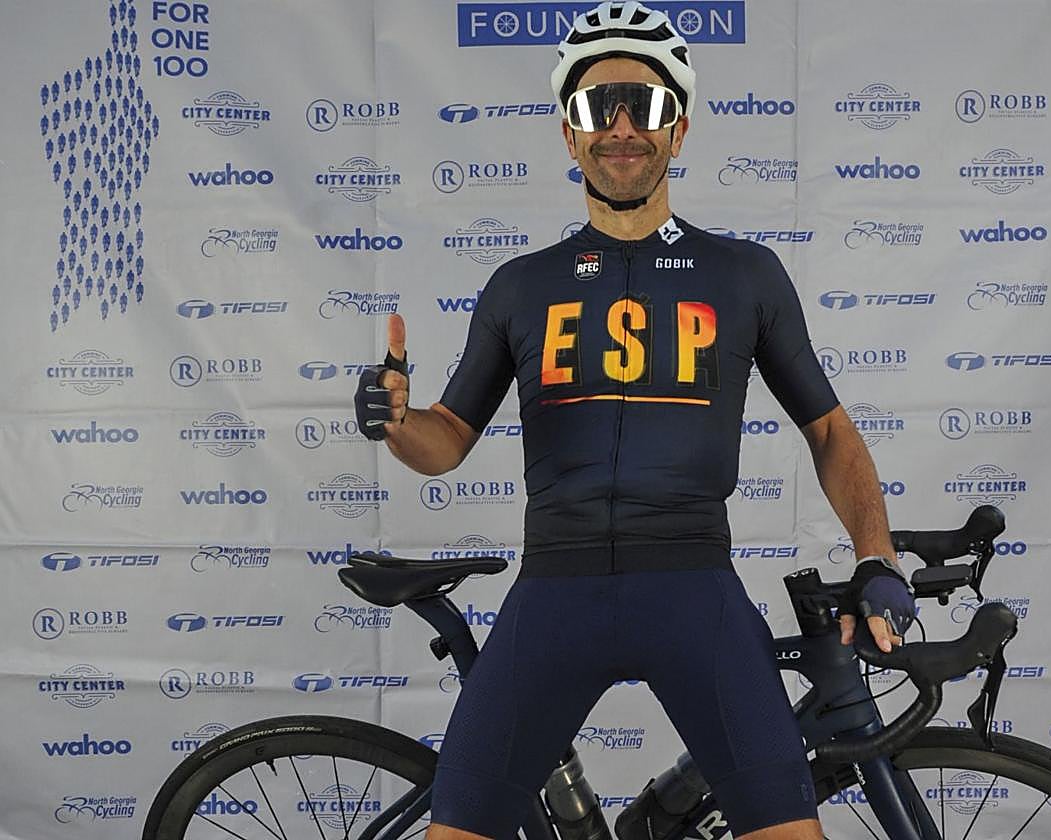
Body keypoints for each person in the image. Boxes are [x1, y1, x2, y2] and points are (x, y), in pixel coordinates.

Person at [354, 3, 915, 837]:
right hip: (555, 590)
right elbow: (445, 443)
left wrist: (877, 555)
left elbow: (830, 431)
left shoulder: (745, 275)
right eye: (598, 106)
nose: (622, 127)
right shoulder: (519, 286)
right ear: (569, 134)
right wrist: (398, 422)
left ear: (678, 130)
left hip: (693, 588)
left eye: (645, 106)